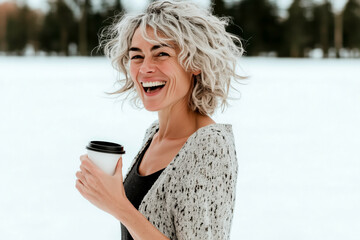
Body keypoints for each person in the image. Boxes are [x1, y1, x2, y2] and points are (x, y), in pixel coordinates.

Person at [75, 1, 244, 239]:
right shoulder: (153, 135)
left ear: (194, 63)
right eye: (137, 56)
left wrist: (118, 206)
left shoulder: (209, 146)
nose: (145, 68)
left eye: (161, 54)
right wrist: (105, 193)